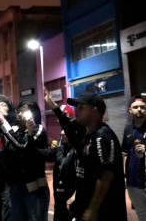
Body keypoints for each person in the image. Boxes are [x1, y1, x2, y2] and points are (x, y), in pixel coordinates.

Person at [46, 90, 127, 221]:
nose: (76, 111)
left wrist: (92, 209)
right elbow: (70, 130)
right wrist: (55, 107)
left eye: (81, 108)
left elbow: (106, 176)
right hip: (84, 208)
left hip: (103, 212)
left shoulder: (102, 136)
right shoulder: (87, 135)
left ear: (94, 111)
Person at [0, 101, 49, 221]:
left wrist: (2, 122)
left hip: (34, 188)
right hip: (15, 187)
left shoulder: (38, 130)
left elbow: (21, 145)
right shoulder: (14, 130)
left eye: (25, 111)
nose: (20, 114)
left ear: (34, 114)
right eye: (19, 111)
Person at [41, 105, 76, 221]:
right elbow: (45, 153)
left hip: (72, 193)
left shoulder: (78, 143)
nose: (62, 133)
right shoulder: (61, 145)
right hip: (59, 191)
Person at [122, 93, 146, 221]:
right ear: (130, 110)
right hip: (134, 181)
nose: (139, 110)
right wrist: (125, 177)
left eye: (142, 107)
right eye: (135, 107)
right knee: (142, 215)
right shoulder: (128, 129)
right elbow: (125, 154)